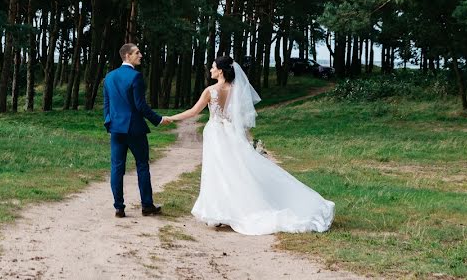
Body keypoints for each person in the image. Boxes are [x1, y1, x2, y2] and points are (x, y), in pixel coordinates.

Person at [166, 55, 335, 235]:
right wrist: (248, 141)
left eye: (213, 67)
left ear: (221, 70)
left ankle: (220, 212)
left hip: (216, 133)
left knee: (218, 171)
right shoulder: (237, 90)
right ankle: (227, 211)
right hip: (231, 134)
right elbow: (242, 120)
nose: (210, 70)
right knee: (235, 171)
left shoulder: (210, 91)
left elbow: (193, 111)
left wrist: (170, 118)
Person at [103, 43, 170, 218]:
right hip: (134, 129)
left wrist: (108, 123)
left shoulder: (109, 77)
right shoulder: (135, 76)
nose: (140, 55)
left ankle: (119, 208)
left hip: (116, 130)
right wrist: (159, 119)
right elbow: (140, 106)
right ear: (127, 56)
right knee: (142, 166)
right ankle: (147, 206)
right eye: (137, 53)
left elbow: (107, 106)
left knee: (117, 168)